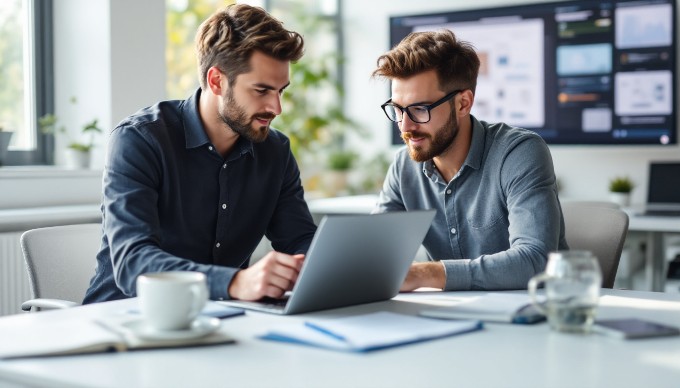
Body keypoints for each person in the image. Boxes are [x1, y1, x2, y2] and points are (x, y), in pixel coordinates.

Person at [83, 4, 317, 304]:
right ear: (216, 81)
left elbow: (298, 239)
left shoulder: (276, 151)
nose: (276, 108)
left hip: (220, 321)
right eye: (261, 90)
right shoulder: (140, 140)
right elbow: (133, 263)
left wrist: (340, 269)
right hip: (124, 320)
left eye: (280, 91)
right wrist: (234, 282)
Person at [371, 29, 568, 292]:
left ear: (463, 103)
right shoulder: (403, 166)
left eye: (420, 109)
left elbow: (534, 260)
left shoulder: (519, 152)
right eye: (398, 109)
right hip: (453, 316)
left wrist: (427, 273)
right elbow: (373, 254)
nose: (405, 126)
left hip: (533, 315)